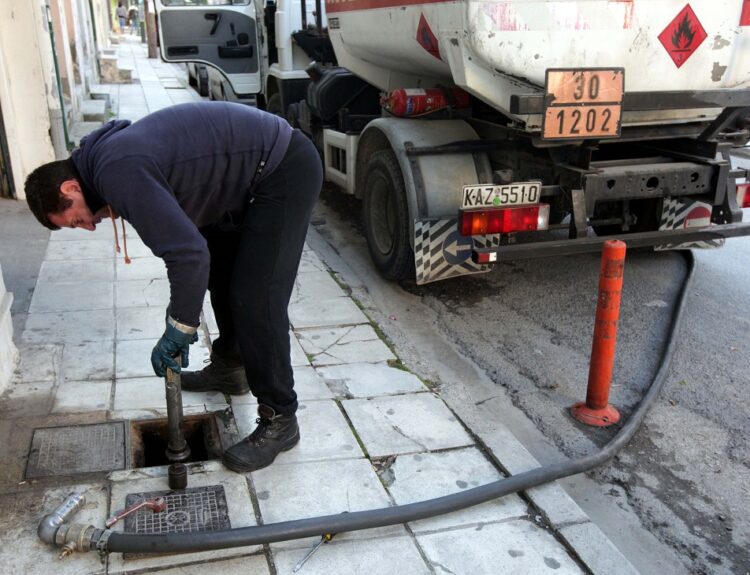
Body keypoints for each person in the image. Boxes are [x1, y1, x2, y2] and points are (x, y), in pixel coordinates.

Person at [24, 102, 323, 473]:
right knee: (223, 273)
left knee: (256, 298)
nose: (88, 227)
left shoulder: (117, 171)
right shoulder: (103, 164)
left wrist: (178, 328)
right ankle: (232, 367)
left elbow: (187, 255)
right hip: (246, 178)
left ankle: (281, 417)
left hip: (283, 170)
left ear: (71, 187)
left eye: (75, 220)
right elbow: (196, 250)